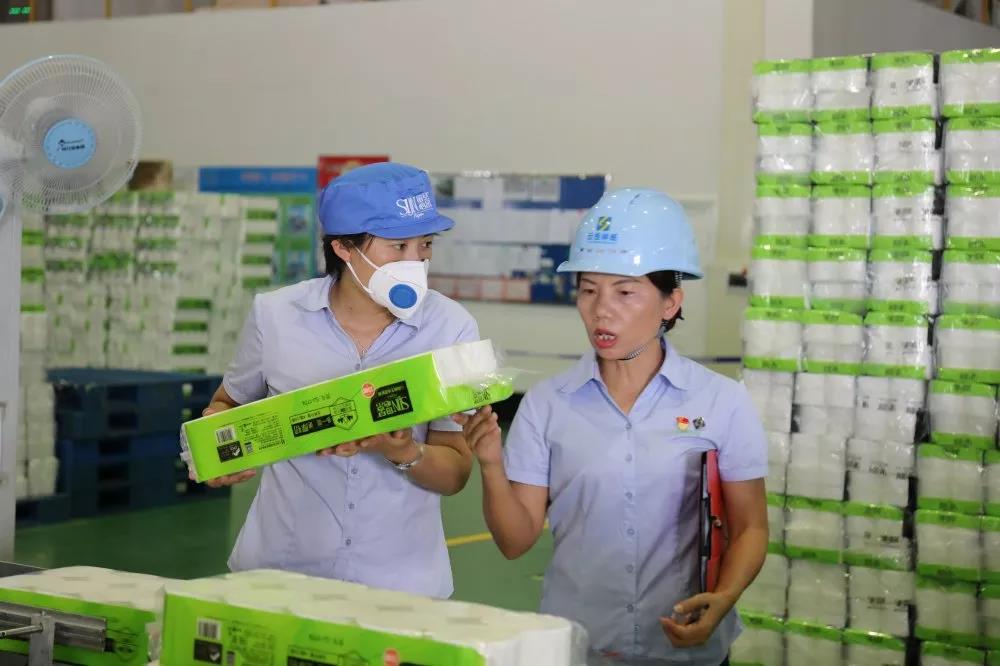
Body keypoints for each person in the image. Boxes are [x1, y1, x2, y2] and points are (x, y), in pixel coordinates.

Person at [455, 189, 769, 664]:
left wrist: (725, 598)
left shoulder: (722, 402)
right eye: (588, 290)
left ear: (670, 303)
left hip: (687, 650)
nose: (601, 310)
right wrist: (492, 466)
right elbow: (515, 542)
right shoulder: (546, 405)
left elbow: (751, 528)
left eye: (624, 292)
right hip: (583, 643)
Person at [202, 162, 479, 598]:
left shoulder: (451, 328)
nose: (416, 262)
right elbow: (226, 406)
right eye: (398, 246)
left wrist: (403, 450)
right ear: (344, 248)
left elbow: (456, 471)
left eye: (425, 244)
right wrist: (220, 450)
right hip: (280, 573)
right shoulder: (276, 316)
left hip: (400, 585)